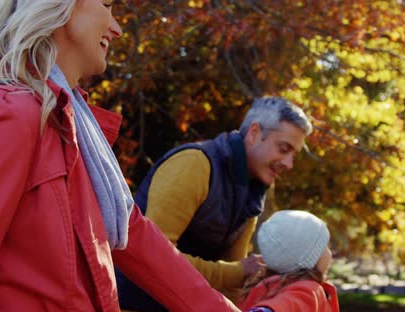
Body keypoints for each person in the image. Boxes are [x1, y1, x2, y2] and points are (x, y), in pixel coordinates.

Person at [0, 1, 239, 311]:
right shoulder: (7, 115)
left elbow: (134, 236)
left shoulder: (74, 126)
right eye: (106, 5)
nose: (117, 28)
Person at [117, 96, 314, 311]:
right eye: (284, 149)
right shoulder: (194, 164)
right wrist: (238, 272)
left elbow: (232, 282)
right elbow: (153, 257)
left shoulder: (252, 192)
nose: (289, 164)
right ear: (254, 133)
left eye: (293, 154)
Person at [239, 210, 339, 312]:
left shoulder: (266, 286)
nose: (330, 252)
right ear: (312, 258)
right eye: (325, 246)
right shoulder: (306, 291)